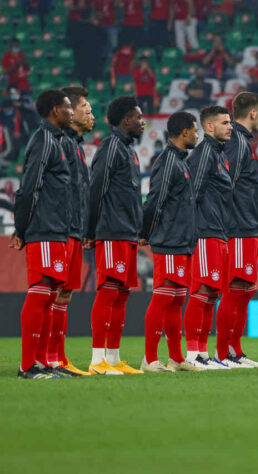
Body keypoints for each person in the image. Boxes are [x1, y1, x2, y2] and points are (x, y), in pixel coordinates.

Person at [13, 90, 74, 379]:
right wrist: (21, 228)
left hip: (57, 228)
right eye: (67, 107)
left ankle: (43, 362)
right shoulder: (44, 139)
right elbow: (28, 187)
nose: (71, 112)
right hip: (44, 227)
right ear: (53, 110)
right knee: (40, 292)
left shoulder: (59, 141)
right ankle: (28, 365)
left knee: (50, 295)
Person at [86, 96, 145, 374]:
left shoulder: (128, 149)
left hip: (127, 232)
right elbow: (96, 186)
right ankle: (98, 359)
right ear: (125, 120)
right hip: (110, 230)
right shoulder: (111, 146)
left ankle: (112, 357)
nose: (142, 122)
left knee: (121, 294)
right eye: (138, 117)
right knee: (109, 291)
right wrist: (90, 228)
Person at [140, 111, 202, 372]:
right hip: (168, 239)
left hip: (182, 240)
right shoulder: (167, 161)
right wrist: (146, 231)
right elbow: (155, 199)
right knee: (163, 297)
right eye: (195, 130)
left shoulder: (180, 161)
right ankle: (149, 359)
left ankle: (176, 358)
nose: (197, 135)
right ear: (185, 132)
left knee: (177, 299)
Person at [46, 86, 94, 376]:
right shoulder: (60, 142)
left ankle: (58, 358)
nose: (91, 112)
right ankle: (47, 357)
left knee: (64, 295)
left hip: (74, 229)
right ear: (69, 111)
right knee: (51, 293)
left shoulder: (75, 144)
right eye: (85, 107)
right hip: (59, 229)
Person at [215, 92, 258, 368]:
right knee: (235, 288)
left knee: (245, 289)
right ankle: (223, 353)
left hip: (247, 224)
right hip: (237, 226)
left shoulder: (243, 141)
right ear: (254, 112)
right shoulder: (237, 141)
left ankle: (235, 350)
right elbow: (227, 182)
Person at [184, 105, 234, 369]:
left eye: (230, 122)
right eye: (225, 122)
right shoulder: (204, 153)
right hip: (204, 232)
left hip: (218, 231)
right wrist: (193, 229)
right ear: (209, 127)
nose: (230, 126)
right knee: (202, 290)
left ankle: (203, 353)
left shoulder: (218, 154)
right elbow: (193, 191)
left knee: (211, 293)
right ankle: (193, 353)